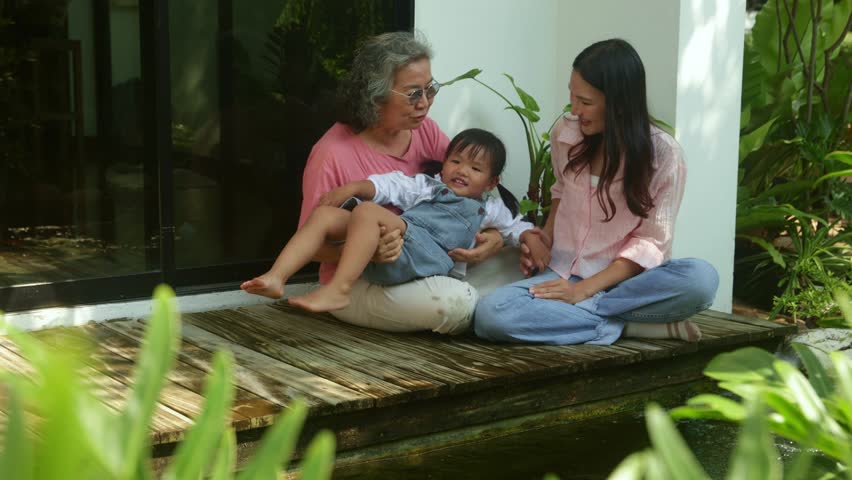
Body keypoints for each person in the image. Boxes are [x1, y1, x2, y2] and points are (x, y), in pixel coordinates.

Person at [243, 31, 523, 334]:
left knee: (515, 261)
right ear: (375, 95)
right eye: (413, 93)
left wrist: (494, 236)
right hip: (361, 282)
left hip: (422, 260)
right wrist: (369, 251)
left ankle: (481, 305)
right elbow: (316, 246)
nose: (425, 103)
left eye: (430, 89)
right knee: (453, 303)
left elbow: (467, 192)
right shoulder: (331, 154)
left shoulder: (424, 130)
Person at [474, 39, 720, 345]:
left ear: (618, 103)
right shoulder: (566, 133)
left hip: (628, 284)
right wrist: (545, 239)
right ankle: (627, 326)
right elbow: (560, 190)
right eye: (572, 96)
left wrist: (582, 291)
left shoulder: (663, 155)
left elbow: (652, 242)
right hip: (562, 274)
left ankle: (588, 315)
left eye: (585, 102)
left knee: (701, 280)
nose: (575, 110)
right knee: (491, 314)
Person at [243, 128, 533, 314]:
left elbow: (517, 227)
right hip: (400, 245)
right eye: (455, 161)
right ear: (444, 164)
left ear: (491, 182)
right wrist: (354, 188)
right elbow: (391, 185)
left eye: (475, 168)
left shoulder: (491, 208)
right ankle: (277, 277)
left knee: (367, 212)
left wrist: (529, 238)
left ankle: (339, 289)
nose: (462, 171)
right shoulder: (427, 185)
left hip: (428, 258)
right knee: (325, 215)